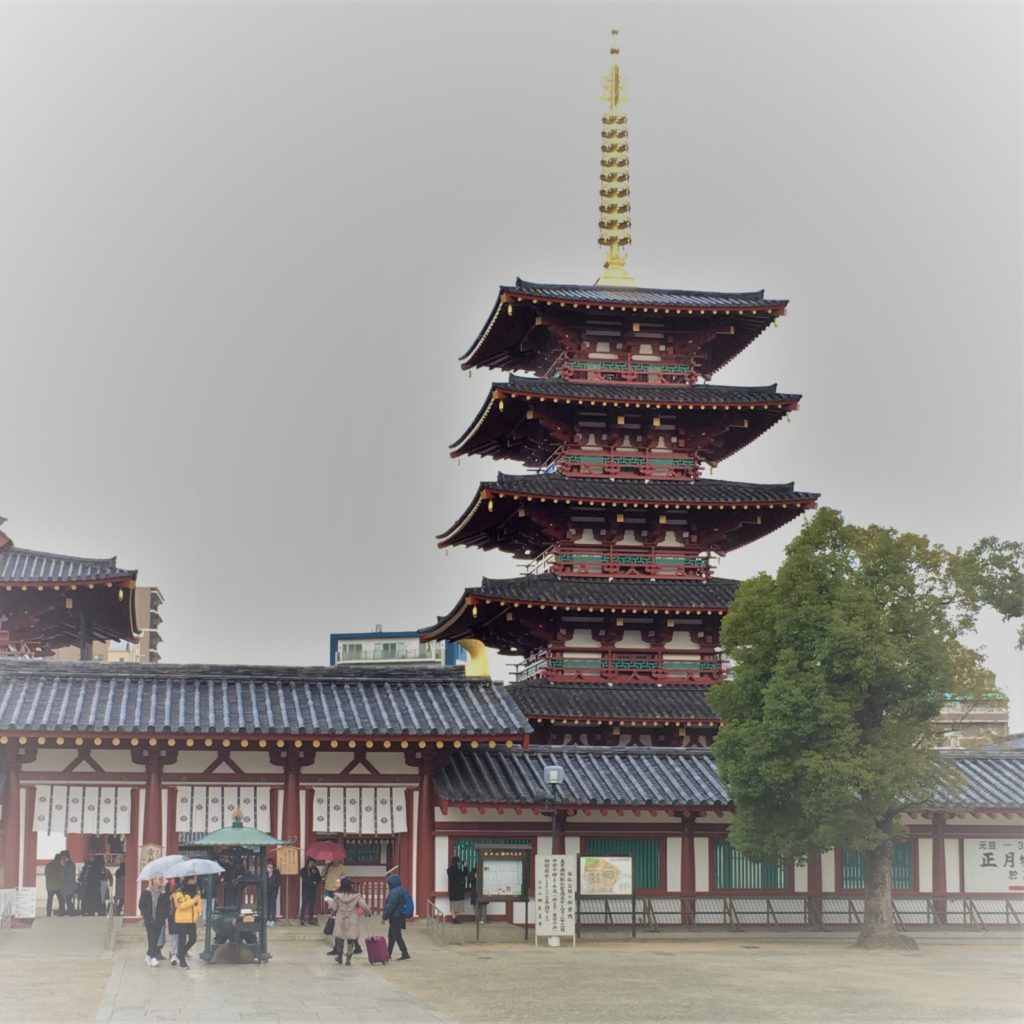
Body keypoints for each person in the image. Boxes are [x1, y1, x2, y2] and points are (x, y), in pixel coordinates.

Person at [327, 877, 369, 966]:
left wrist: (330, 905)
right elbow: (364, 906)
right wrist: (369, 912)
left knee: (340, 939)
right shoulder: (356, 896)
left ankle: (339, 957)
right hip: (352, 918)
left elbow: (334, 908)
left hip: (340, 918)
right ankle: (348, 959)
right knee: (351, 940)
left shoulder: (337, 896)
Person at [171, 876, 202, 969]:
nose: (196, 881)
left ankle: (181, 953)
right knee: (182, 940)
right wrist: (193, 901)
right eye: (194, 879)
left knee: (193, 939)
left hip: (192, 919)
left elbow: (199, 903)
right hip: (182, 919)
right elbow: (181, 906)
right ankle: (182, 962)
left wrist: (198, 911)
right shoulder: (179, 891)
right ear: (189, 880)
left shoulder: (196, 890)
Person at [381, 873, 412, 961]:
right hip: (399, 915)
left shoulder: (394, 892)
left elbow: (390, 906)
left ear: (392, 883)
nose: (388, 885)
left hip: (395, 917)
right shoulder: (401, 890)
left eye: (389, 883)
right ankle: (388, 953)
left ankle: (405, 953)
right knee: (392, 935)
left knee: (397, 935)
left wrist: (384, 917)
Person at [139, 877, 169, 967]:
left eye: (161, 878)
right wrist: (146, 916)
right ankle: (152, 957)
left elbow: (167, 906)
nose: (160, 880)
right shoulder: (146, 892)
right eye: (158, 879)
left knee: (155, 939)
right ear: (153, 880)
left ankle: (148, 955)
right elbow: (141, 905)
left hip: (159, 920)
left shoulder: (163, 893)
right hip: (149, 920)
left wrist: (165, 917)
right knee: (151, 938)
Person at [298, 857, 321, 926]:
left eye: (312, 863)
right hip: (305, 890)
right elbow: (303, 878)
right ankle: (302, 919)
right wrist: (312, 883)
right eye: (310, 863)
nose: (311, 864)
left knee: (312, 905)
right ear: (307, 863)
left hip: (312, 890)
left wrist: (315, 881)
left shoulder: (315, 869)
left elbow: (319, 878)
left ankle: (310, 919)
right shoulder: (303, 870)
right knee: (304, 904)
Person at [446, 856, 465, 923]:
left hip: (452, 891)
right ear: (457, 862)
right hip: (459, 891)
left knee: (453, 905)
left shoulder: (449, 870)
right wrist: (465, 867)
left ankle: (454, 918)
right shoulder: (458, 871)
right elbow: (465, 874)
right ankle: (454, 919)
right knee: (458, 906)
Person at [265, 860, 282, 926]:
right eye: (268, 865)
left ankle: (272, 919)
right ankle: (267, 919)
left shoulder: (276, 872)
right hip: (266, 891)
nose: (269, 866)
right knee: (267, 905)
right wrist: (268, 874)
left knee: (273, 905)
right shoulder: (265, 872)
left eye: (270, 865)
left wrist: (273, 885)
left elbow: (279, 882)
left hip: (274, 891)